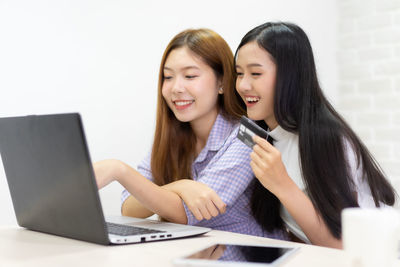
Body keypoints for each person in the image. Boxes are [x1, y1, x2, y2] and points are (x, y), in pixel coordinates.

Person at [94, 28, 285, 239]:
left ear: (222, 82)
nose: (176, 88)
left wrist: (118, 170)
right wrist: (180, 186)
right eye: (168, 77)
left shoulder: (248, 135)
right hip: (193, 256)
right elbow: (129, 210)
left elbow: (190, 212)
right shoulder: (172, 135)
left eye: (190, 76)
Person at [234, 22, 397, 248]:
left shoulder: (326, 139)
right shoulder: (266, 134)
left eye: (255, 73)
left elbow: (343, 246)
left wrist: (282, 184)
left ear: (291, 76)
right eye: (239, 73)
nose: (243, 85)